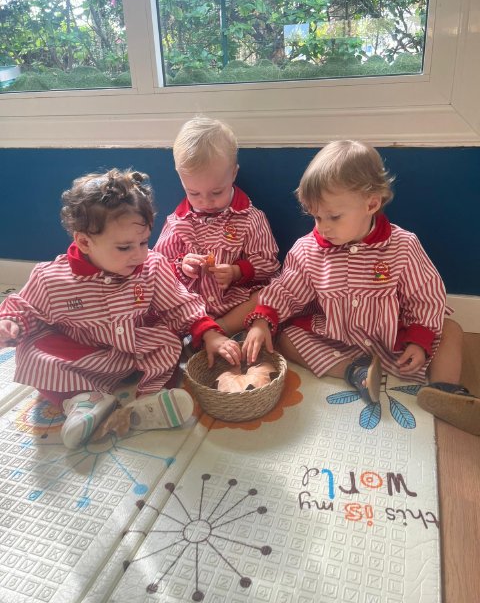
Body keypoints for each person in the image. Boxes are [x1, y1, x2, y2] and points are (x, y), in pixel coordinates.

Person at [242, 140, 480, 435]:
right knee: (286, 336)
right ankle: (353, 370)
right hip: (336, 339)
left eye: (334, 217)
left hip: (394, 341)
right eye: (316, 217)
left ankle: (445, 391)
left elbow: (426, 296)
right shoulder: (307, 250)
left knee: (451, 330)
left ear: (371, 204)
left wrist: (419, 341)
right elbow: (286, 290)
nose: (323, 227)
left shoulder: (402, 246)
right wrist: (262, 320)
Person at [0, 169, 241, 449]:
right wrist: (11, 323)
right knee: (30, 352)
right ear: (84, 242)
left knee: (169, 343)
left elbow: (180, 303)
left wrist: (210, 333)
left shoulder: (151, 266)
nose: (139, 254)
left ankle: (150, 399)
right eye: (125, 247)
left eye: (143, 242)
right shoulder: (52, 279)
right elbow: (26, 308)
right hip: (83, 357)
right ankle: (83, 401)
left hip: (134, 352)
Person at [154, 116, 280, 336]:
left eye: (216, 192)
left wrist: (237, 271)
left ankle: (222, 328)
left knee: (272, 293)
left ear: (233, 174)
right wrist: (183, 266)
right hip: (193, 307)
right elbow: (158, 267)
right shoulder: (177, 222)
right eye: (194, 193)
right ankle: (199, 333)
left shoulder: (250, 218)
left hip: (234, 304)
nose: (206, 201)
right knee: (160, 301)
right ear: (182, 181)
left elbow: (269, 264)